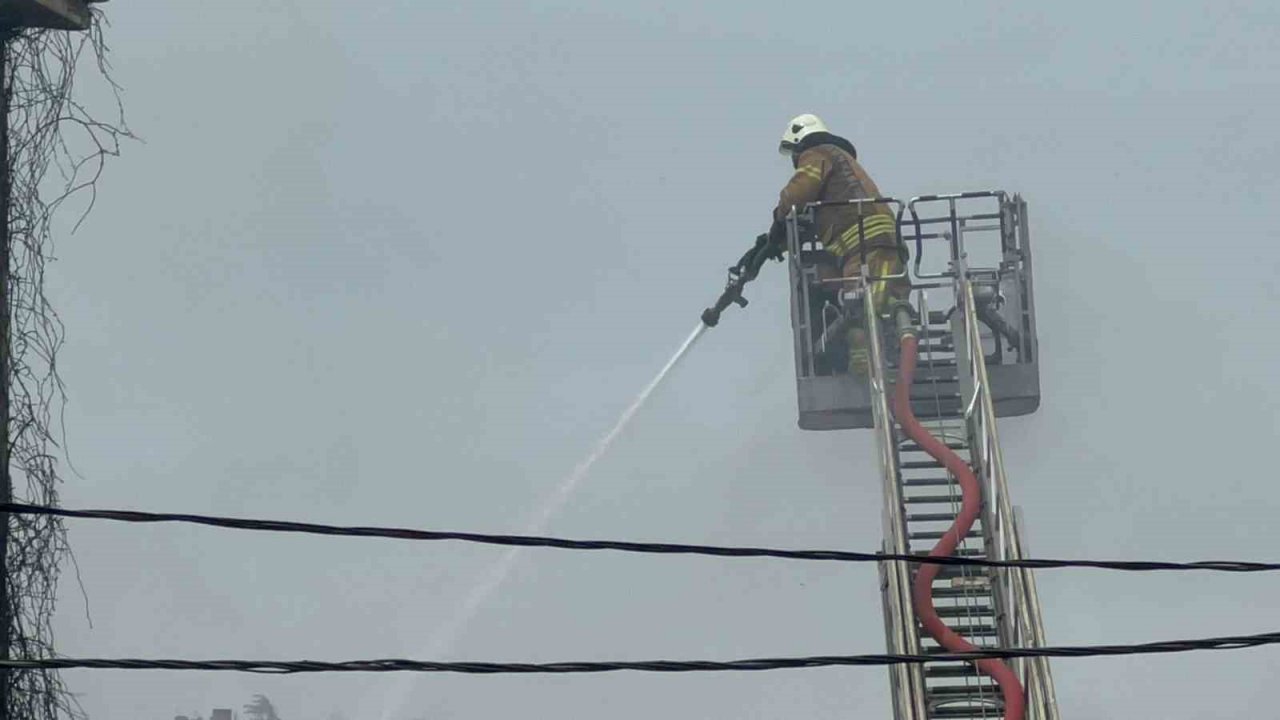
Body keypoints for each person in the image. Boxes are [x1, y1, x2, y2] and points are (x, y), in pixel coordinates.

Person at [769, 113, 910, 376]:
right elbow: (821, 216)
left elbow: (799, 192)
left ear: (799, 140)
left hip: (864, 245)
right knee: (888, 302)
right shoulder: (844, 167)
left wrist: (780, 215)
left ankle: (863, 367)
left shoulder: (817, 152)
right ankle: (892, 357)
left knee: (857, 304)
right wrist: (777, 243)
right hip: (887, 241)